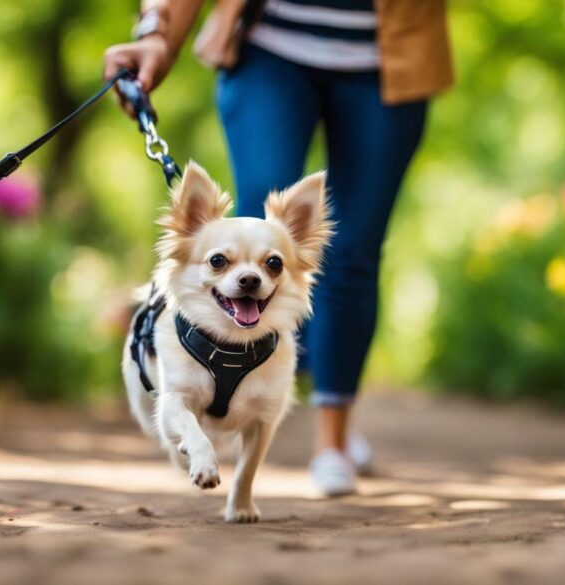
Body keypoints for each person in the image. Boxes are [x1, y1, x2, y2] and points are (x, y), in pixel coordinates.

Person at [104, 0, 453, 496]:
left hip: (391, 56)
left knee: (352, 248)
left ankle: (332, 440)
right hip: (267, 44)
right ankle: (220, 394)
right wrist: (157, 30)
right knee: (258, 229)